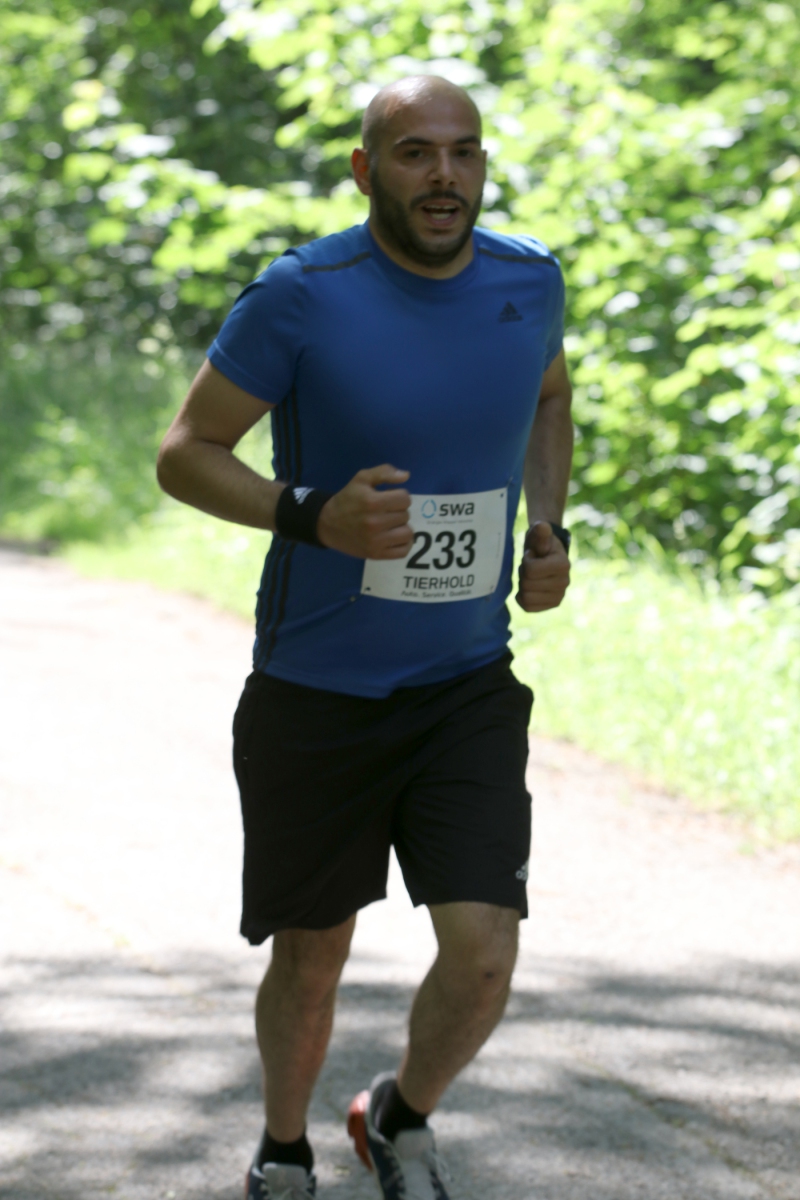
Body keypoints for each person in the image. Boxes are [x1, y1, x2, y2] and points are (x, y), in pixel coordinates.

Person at [157, 73, 572, 1200]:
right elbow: (184, 452)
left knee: (484, 956)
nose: (444, 176)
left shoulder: (529, 280)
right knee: (313, 956)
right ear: (364, 169)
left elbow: (547, 397)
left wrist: (546, 526)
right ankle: (282, 1147)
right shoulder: (301, 294)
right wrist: (312, 514)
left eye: (463, 152)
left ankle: (399, 1116)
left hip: (465, 683)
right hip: (318, 688)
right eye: (414, 152)